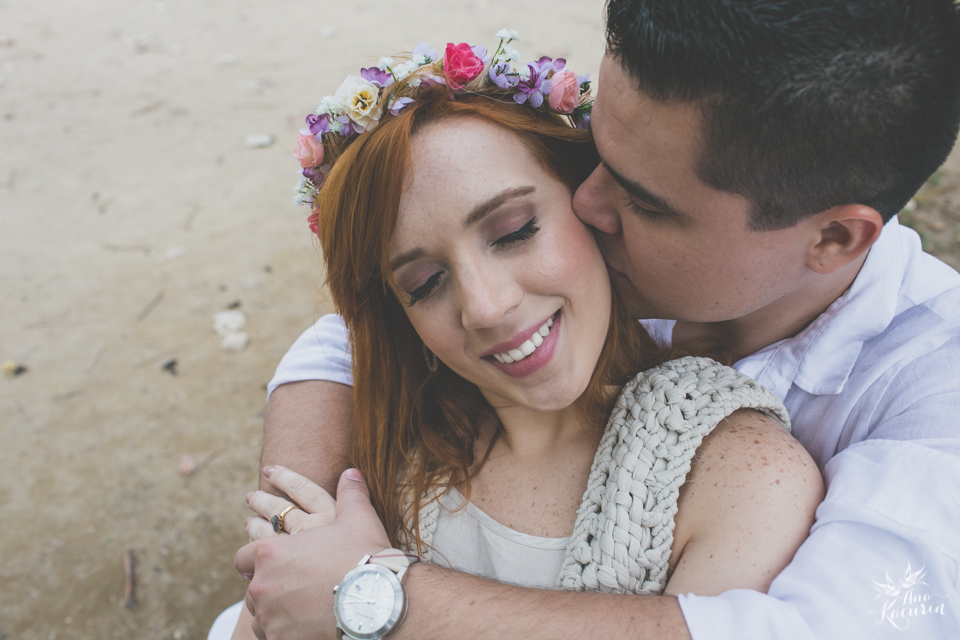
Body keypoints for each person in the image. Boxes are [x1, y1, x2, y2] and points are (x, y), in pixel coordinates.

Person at [237, 1, 960, 638]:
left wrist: (368, 597)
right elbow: (357, 334)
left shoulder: (935, 397)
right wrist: (294, 537)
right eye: (595, 153)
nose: (585, 203)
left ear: (832, 238)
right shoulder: (616, 212)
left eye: (645, 203)